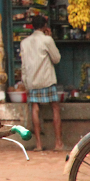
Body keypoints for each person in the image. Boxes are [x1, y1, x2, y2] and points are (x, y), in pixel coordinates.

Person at [20, 15, 63, 151]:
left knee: (35, 108)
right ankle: (58, 143)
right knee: (55, 107)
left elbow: (23, 66)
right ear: (44, 26)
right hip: (47, 80)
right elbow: (56, 58)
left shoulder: (24, 42)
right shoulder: (47, 40)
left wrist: (26, 83)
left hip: (32, 81)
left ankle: (38, 144)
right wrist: (50, 38)